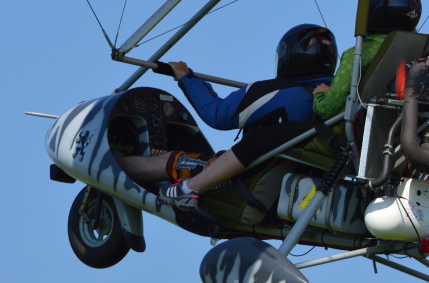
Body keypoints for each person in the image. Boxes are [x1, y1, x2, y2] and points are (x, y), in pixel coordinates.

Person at [119, 24, 338, 211]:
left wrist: (185, 77)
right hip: (307, 193)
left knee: (171, 160)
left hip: (246, 184)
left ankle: (114, 165)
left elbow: (216, 114)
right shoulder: (338, 100)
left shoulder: (281, 92)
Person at [312, 0, 422, 120]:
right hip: (409, 122)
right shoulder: (423, 46)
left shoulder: (358, 55)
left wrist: (320, 94)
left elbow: (325, 109)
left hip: (359, 127)